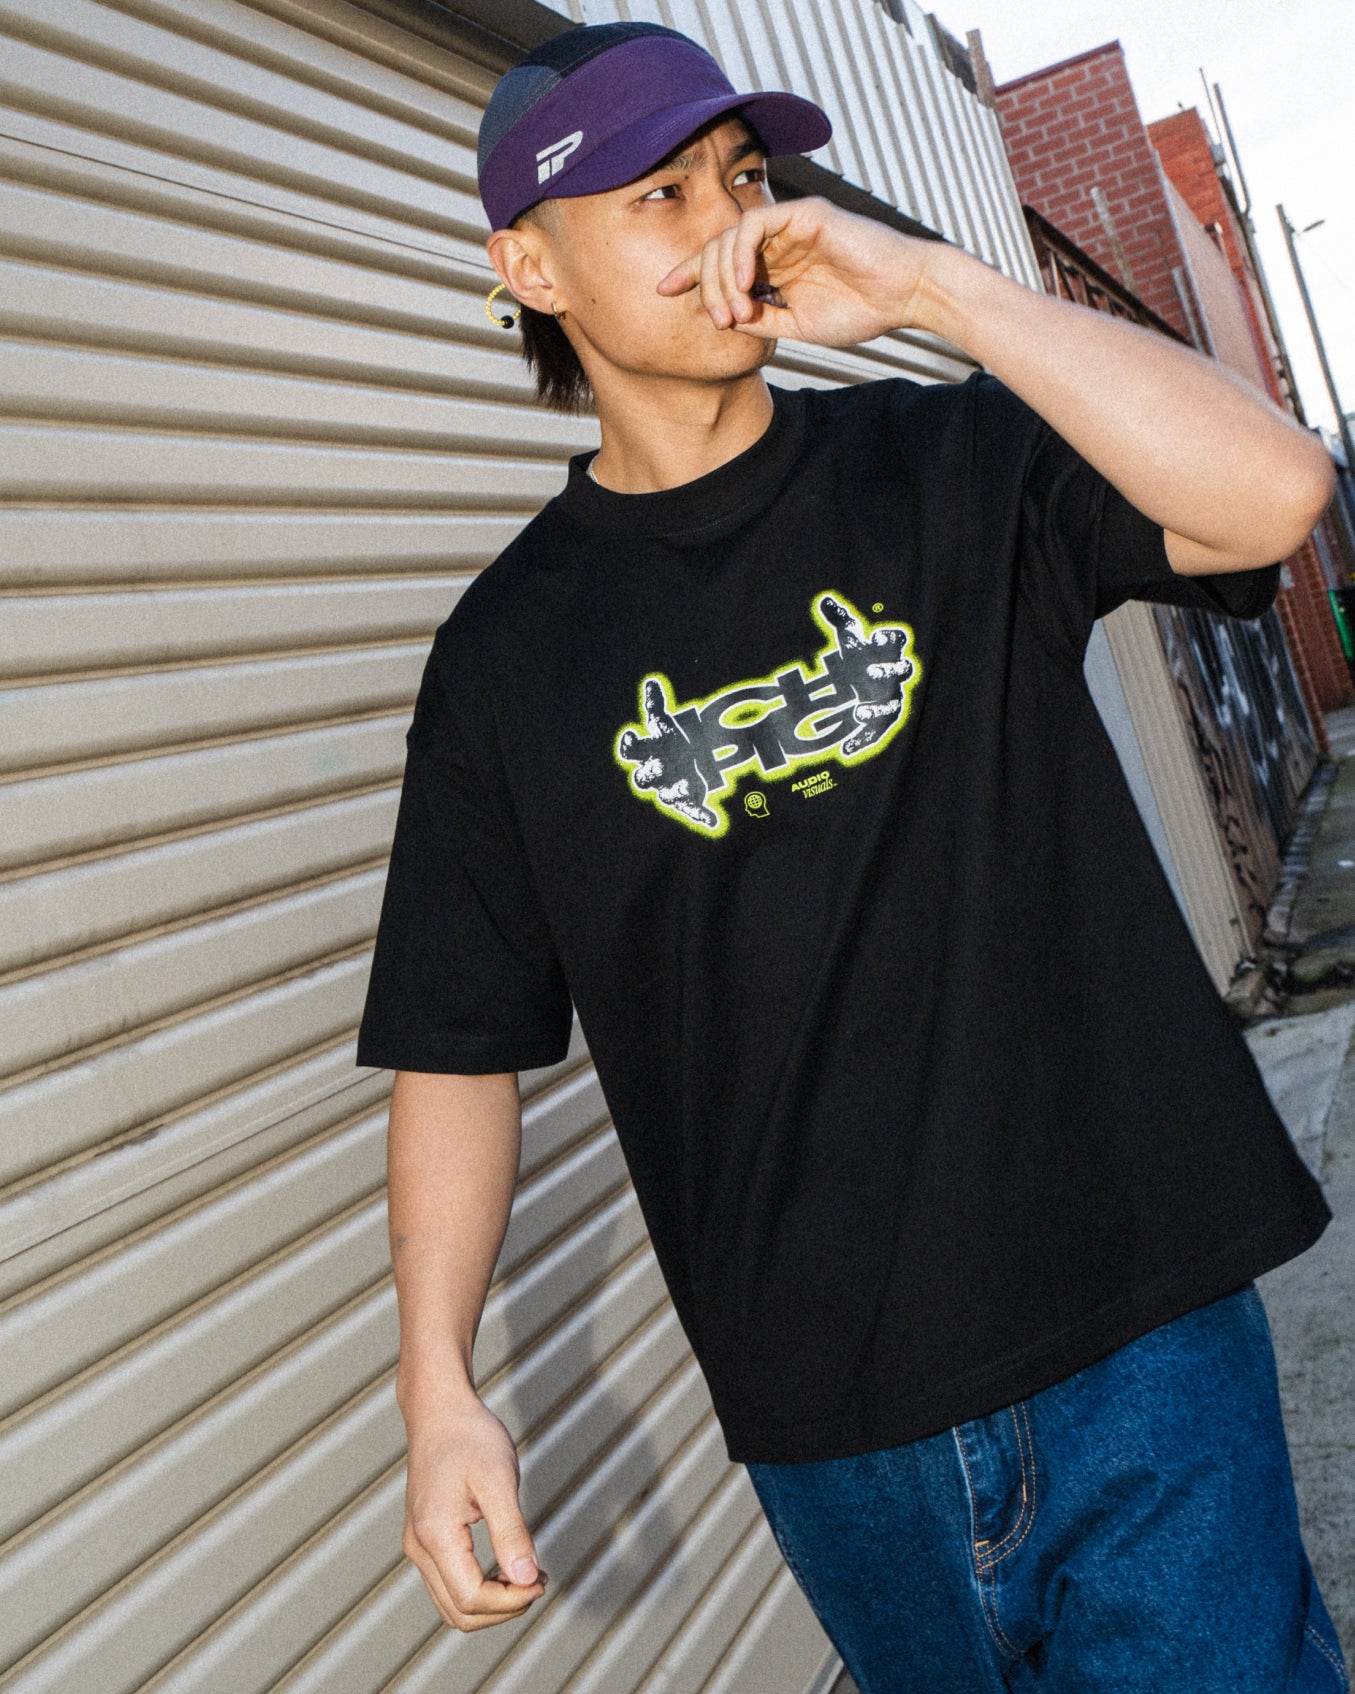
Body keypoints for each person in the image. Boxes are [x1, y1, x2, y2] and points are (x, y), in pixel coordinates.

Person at [355, 20, 1351, 1691]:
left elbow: (1274, 494)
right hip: (841, 1432)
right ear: (528, 267)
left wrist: (943, 292)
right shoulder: (507, 662)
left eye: (740, 175)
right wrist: (436, 1385)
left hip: (1138, 1325)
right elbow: (457, 1049)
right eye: (659, 194)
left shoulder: (955, 462)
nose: (727, 221)